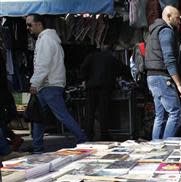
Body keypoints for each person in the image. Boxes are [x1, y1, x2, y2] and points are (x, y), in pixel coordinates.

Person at [26, 14, 86, 153]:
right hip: (49, 84)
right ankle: (37, 147)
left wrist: (35, 83)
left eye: (30, 24)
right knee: (39, 117)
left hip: (48, 85)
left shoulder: (46, 40)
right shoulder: (48, 39)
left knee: (59, 115)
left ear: (39, 24)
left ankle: (82, 138)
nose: (28, 28)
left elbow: (43, 64)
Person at [145, 5, 181, 140]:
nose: (179, 21)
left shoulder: (153, 31)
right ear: (168, 17)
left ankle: (156, 147)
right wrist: (179, 85)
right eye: (177, 18)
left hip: (152, 77)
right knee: (175, 113)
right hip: (162, 77)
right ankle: (166, 147)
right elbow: (169, 59)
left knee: (161, 115)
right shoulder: (166, 31)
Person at [80, 45, 125, 141]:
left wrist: (85, 79)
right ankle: (104, 134)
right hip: (105, 87)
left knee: (90, 111)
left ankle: (88, 134)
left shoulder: (91, 56)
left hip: (91, 86)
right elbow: (121, 69)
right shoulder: (110, 58)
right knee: (103, 111)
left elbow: (83, 68)